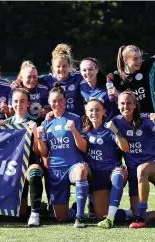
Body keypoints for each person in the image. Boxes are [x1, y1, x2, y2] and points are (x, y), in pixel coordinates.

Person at [107, 17, 155, 210]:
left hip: (151, 124)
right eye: (135, 58)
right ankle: (134, 206)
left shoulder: (147, 68)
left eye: (140, 57)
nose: (139, 60)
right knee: (131, 165)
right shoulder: (114, 78)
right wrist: (116, 92)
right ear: (125, 60)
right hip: (127, 127)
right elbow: (113, 99)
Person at [111, 91, 155, 228]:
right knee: (137, 213)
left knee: (142, 169)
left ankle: (140, 217)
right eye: (122, 103)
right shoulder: (116, 122)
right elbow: (124, 148)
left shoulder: (145, 118)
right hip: (134, 170)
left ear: (135, 104)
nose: (125, 106)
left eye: (129, 103)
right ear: (117, 105)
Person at [34, 85, 89, 228]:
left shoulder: (75, 119)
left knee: (82, 170)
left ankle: (80, 217)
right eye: (53, 101)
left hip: (73, 165)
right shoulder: (46, 123)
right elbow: (44, 153)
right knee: (61, 217)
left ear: (65, 101)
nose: (57, 103)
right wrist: (39, 138)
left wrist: (74, 131)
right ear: (49, 101)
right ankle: (76, 208)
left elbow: (84, 147)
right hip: (56, 170)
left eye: (60, 100)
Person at [77, 98, 133, 228]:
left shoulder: (109, 128)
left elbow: (125, 148)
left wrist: (116, 131)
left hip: (113, 171)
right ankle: (129, 213)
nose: (94, 113)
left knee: (118, 175)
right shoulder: (85, 131)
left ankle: (111, 218)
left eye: (97, 109)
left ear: (104, 111)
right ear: (86, 112)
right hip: (97, 177)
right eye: (91, 110)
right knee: (100, 215)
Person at [0, 88, 43, 226]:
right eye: (15, 101)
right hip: (11, 169)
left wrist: (35, 132)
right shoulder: (5, 123)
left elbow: (37, 151)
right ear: (11, 103)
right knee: (18, 214)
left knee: (35, 171)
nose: (18, 104)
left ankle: (35, 214)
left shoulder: (34, 122)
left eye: (22, 101)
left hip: (28, 165)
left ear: (28, 103)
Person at [39, 44, 84, 116]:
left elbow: (94, 75)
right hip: (57, 123)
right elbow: (29, 78)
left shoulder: (78, 77)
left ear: (69, 66)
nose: (61, 69)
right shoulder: (47, 79)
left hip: (77, 122)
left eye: (64, 66)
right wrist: (18, 81)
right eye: (58, 66)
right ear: (53, 67)